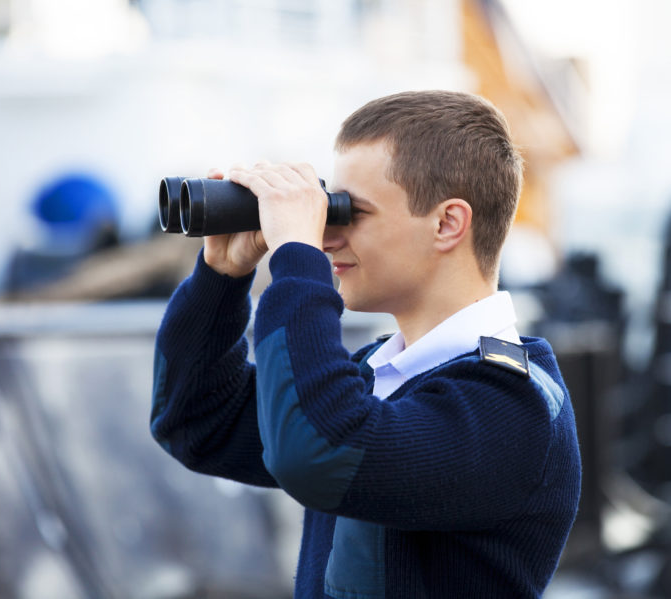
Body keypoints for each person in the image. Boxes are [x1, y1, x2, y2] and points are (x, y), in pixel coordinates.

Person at [150, 90, 581, 598]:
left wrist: (296, 254)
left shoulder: (513, 408)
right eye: (329, 214)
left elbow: (319, 453)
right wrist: (221, 276)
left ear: (447, 224)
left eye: (350, 213)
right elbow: (197, 422)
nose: (329, 238)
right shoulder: (378, 376)